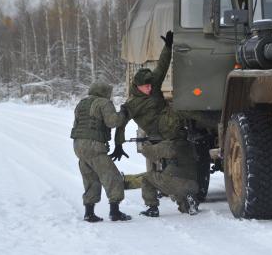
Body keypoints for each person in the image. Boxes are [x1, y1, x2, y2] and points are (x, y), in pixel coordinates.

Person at [111, 31, 199, 217]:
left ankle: (183, 201)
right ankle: (155, 204)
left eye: (151, 85)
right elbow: (121, 123)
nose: (150, 88)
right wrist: (118, 143)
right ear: (137, 86)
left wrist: (168, 47)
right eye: (146, 87)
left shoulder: (154, 85)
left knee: (170, 171)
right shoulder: (132, 104)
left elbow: (162, 66)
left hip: (171, 131)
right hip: (158, 134)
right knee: (153, 171)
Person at [71, 82, 131, 222]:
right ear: (104, 92)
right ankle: (115, 212)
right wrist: (123, 113)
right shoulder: (104, 103)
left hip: (78, 145)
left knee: (90, 178)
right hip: (94, 145)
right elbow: (113, 122)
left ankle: (89, 213)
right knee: (112, 177)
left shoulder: (82, 103)